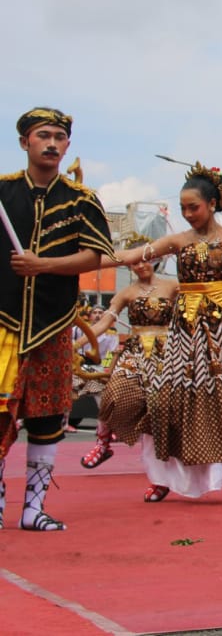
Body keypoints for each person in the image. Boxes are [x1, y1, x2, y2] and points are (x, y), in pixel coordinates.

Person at [113, 162, 222, 504]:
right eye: (183, 209)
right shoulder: (179, 240)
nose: (188, 214)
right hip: (187, 327)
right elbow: (133, 254)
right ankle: (163, 478)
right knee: (170, 398)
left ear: (211, 204)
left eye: (194, 207)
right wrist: (86, 260)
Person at [0, 108, 113, 530]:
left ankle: (33, 509)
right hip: (4, 322)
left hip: (52, 324)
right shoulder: (3, 192)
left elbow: (92, 255)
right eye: (42, 135)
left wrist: (41, 265)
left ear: (67, 145)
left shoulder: (80, 199)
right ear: (24, 142)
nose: (51, 143)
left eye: (59, 137)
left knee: (48, 419)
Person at [79, 245, 178, 469]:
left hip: (168, 352)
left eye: (145, 260)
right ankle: (103, 444)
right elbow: (103, 324)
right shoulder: (126, 293)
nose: (141, 265)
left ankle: (170, 458)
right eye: (135, 262)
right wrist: (74, 344)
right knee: (111, 394)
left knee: (166, 404)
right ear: (128, 265)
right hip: (136, 351)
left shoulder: (172, 286)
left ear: (154, 260)